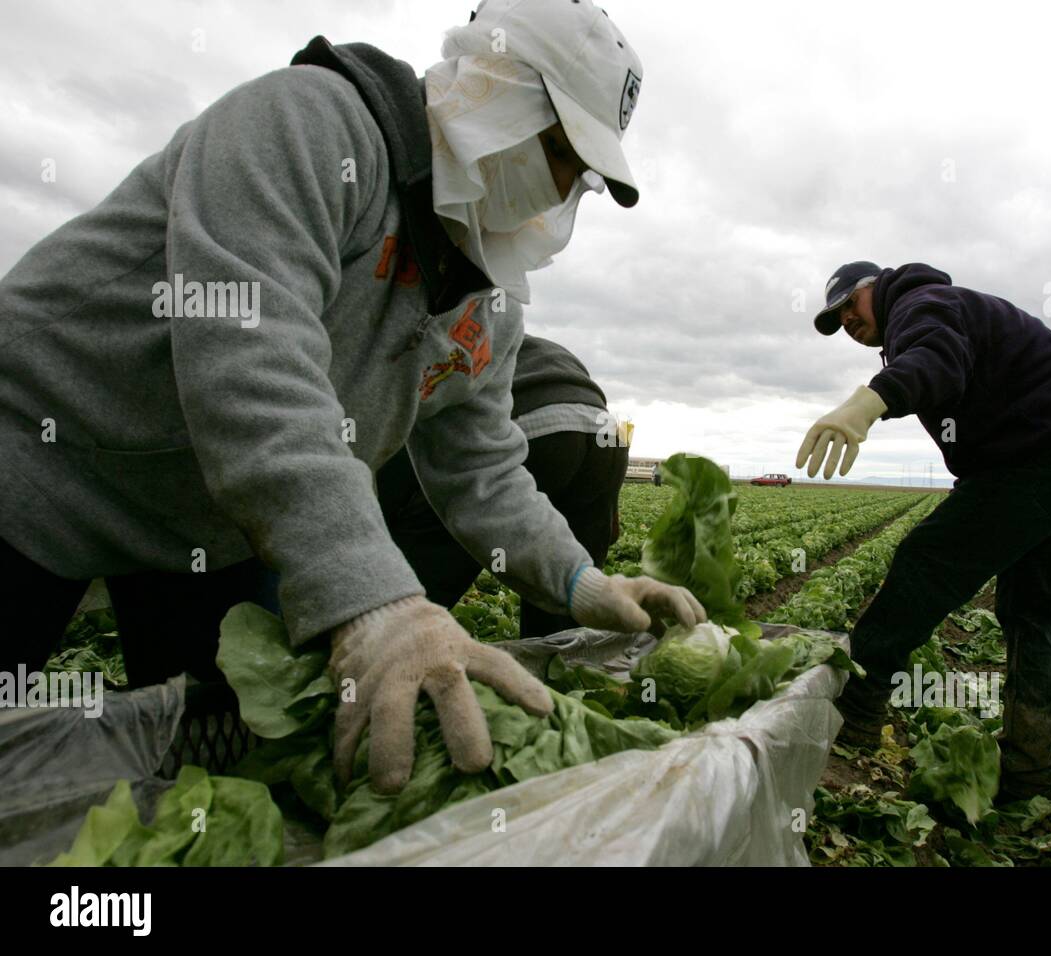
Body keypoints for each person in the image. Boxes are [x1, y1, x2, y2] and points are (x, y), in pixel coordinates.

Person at [0, 0, 705, 796]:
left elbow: (482, 470)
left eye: (581, 175)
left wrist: (583, 584)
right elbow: (249, 360)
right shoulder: (306, 125)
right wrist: (377, 600)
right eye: (557, 150)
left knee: (225, 759)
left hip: (203, 529)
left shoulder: (490, 295)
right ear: (496, 89)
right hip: (37, 467)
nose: (562, 187)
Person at [796, 261, 1051, 799]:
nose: (847, 325)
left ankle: (855, 713)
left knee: (926, 560)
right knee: (1028, 610)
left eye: (848, 309)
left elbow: (936, 361)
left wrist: (866, 403)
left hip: (1047, 457)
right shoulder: (935, 312)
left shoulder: (923, 304)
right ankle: (1028, 765)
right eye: (835, 322)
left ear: (873, 288)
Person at [377, 334, 628, 638]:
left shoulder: (432, 352)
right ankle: (556, 669)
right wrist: (603, 518)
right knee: (565, 598)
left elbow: (410, 465)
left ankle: (386, 645)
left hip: (536, 427)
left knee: (427, 562)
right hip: (607, 438)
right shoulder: (510, 338)